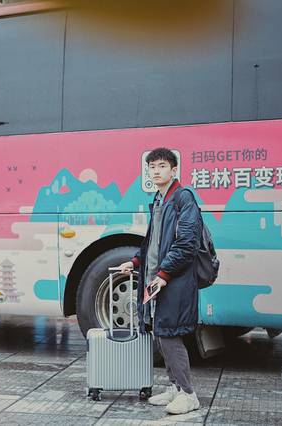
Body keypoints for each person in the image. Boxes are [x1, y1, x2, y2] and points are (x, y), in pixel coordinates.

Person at [117, 147, 201, 415]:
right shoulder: (159, 199)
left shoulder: (183, 198)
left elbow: (187, 244)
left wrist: (164, 275)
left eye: (162, 166)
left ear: (174, 170)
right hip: (158, 279)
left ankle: (188, 394)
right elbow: (152, 242)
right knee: (161, 333)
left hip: (174, 280)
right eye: (152, 167)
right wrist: (135, 262)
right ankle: (175, 388)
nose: (155, 171)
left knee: (169, 335)